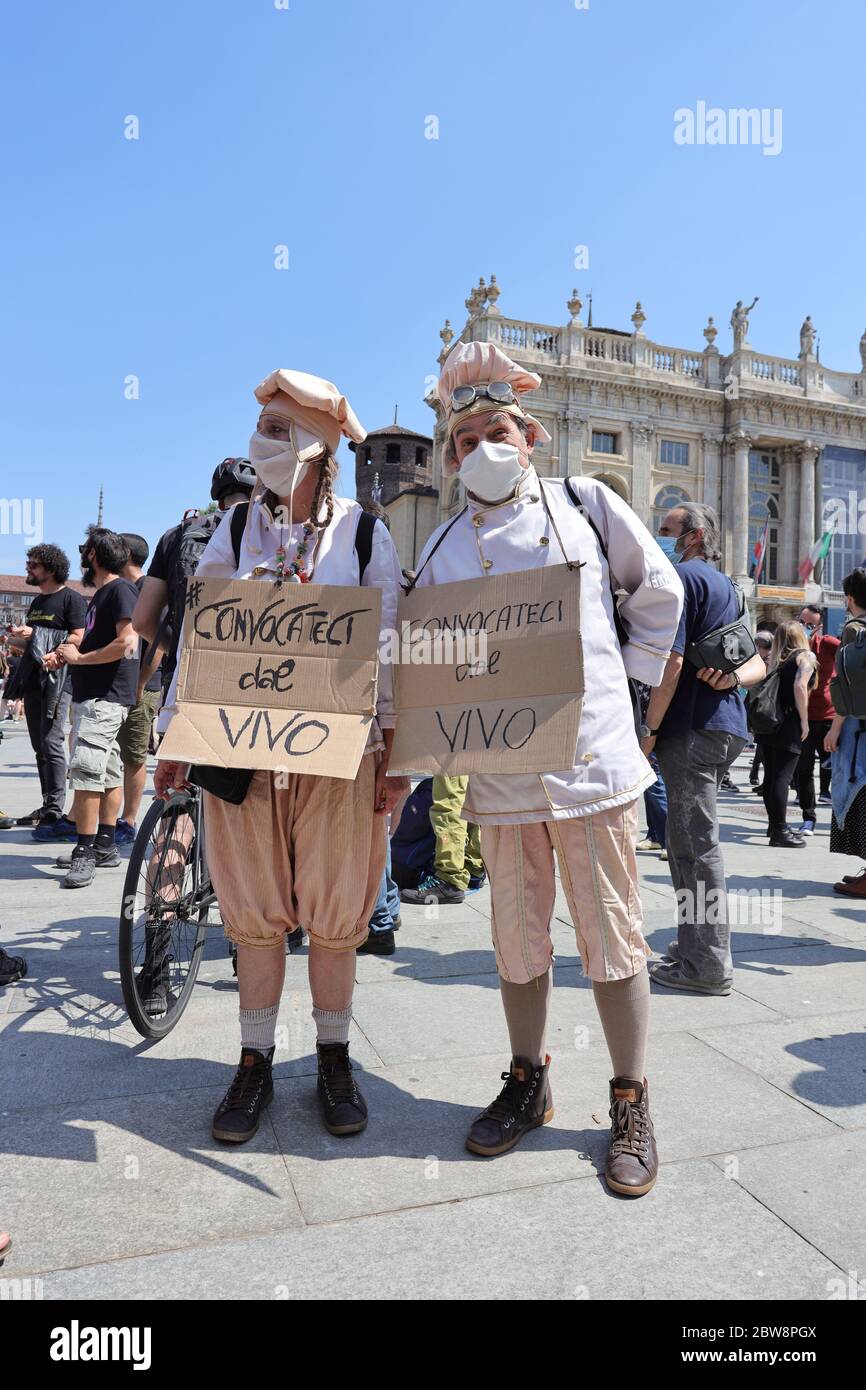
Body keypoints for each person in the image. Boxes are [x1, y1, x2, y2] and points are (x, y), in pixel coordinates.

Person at [413, 340, 684, 1197]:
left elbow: (659, 593)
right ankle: (527, 1078)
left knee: (612, 933)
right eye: (463, 440)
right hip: (500, 773)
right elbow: (427, 654)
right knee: (517, 937)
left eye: (496, 429)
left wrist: (628, 698)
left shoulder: (585, 502)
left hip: (593, 761)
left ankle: (631, 1099)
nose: (480, 448)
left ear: (529, 435)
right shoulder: (445, 546)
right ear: (449, 459)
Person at [154, 368, 408, 1144]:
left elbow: (390, 644)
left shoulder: (366, 532)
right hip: (243, 752)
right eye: (260, 427)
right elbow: (201, 637)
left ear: (316, 448)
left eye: (275, 430)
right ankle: (255, 1060)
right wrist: (174, 731)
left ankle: (334, 1056)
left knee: (336, 916)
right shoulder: (231, 533)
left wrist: (395, 757)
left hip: (340, 755)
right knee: (254, 914)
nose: (260, 442)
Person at [647, 503, 766, 996]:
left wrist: (649, 728)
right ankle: (692, 948)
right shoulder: (727, 586)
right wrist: (734, 677)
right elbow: (757, 662)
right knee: (685, 844)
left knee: (695, 848)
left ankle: (709, 966)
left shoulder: (681, 579)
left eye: (667, 530)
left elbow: (671, 662)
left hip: (692, 728)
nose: (661, 537)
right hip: (725, 727)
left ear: (693, 536)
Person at [43, 528, 139, 888]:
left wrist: (80, 659)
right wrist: (67, 656)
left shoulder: (119, 590)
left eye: (84, 550)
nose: (82, 556)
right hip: (102, 697)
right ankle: (104, 844)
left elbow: (128, 643)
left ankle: (84, 852)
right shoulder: (105, 594)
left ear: (94, 555)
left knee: (85, 771)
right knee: (108, 771)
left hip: (104, 698)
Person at [0, 544, 86, 835]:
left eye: (34, 565)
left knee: (51, 742)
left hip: (58, 681)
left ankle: (55, 810)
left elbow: (78, 637)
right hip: (33, 680)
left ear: (50, 569)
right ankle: (48, 803)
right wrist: (16, 639)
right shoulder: (36, 604)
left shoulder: (71, 599)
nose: (28, 568)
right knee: (39, 746)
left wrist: (36, 634)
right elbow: (33, 645)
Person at [825, 569, 866, 896]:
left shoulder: (854, 629)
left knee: (856, 788)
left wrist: (834, 730)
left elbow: (845, 688)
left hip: (858, 728)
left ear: (850, 599)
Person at [760, 623, 817, 848]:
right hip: (789, 722)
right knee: (782, 777)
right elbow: (800, 686)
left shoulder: (775, 661)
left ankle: (775, 826)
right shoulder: (806, 656)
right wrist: (804, 720)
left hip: (768, 722)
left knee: (771, 777)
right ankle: (780, 830)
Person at [400, 775, 486, 905]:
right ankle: (471, 867)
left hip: (452, 756)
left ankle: (450, 877)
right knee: (468, 794)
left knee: (448, 801)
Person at [794, 604, 839, 833]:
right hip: (803, 718)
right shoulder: (791, 649)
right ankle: (808, 818)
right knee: (803, 770)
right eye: (802, 622)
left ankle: (838, 819)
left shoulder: (829, 644)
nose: (805, 628)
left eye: (810, 625)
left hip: (830, 717)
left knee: (834, 769)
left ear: (819, 627)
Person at [748, 630, 774, 790]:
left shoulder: (768, 661)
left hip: (764, 709)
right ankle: (757, 774)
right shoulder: (763, 659)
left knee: (764, 745)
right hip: (760, 708)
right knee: (762, 743)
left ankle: (763, 778)